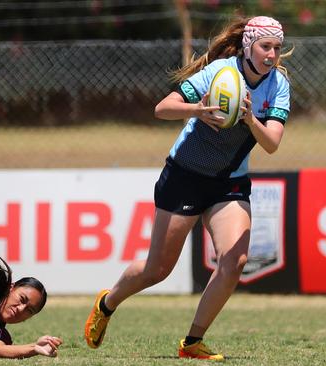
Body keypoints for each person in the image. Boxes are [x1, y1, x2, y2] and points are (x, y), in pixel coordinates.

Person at [84, 16, 290, 360]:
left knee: (235, 260)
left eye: (277, 48)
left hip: (229, 182)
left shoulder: (278, 84)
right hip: (185, 176)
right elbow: (162, 108)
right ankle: (107, 303)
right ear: (248, 45)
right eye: (265, 46)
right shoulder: (221, 73)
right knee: (157, 270)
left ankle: (192, 342)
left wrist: (249, 117)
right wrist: (199, 110)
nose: (271, 55)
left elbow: (271, 143)